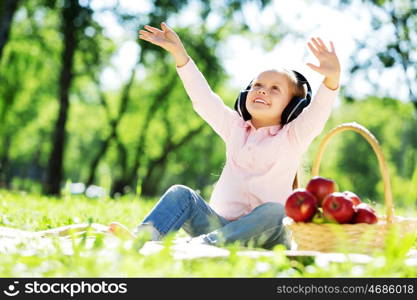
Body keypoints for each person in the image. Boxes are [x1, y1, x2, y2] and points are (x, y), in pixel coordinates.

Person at [12, 22, 339, 249]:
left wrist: (331, 79)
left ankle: (196, 249)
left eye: (274, 89)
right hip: (217, 229)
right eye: (257, 85)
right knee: (182, 193)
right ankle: (145, 241)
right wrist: (181, 56)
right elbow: (204, 98)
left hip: (263, 236)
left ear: (294, 107)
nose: (262, 91)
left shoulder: (294, 135)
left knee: (274, 211)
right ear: (245, 95)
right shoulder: (235, 129)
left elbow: (321, 109)